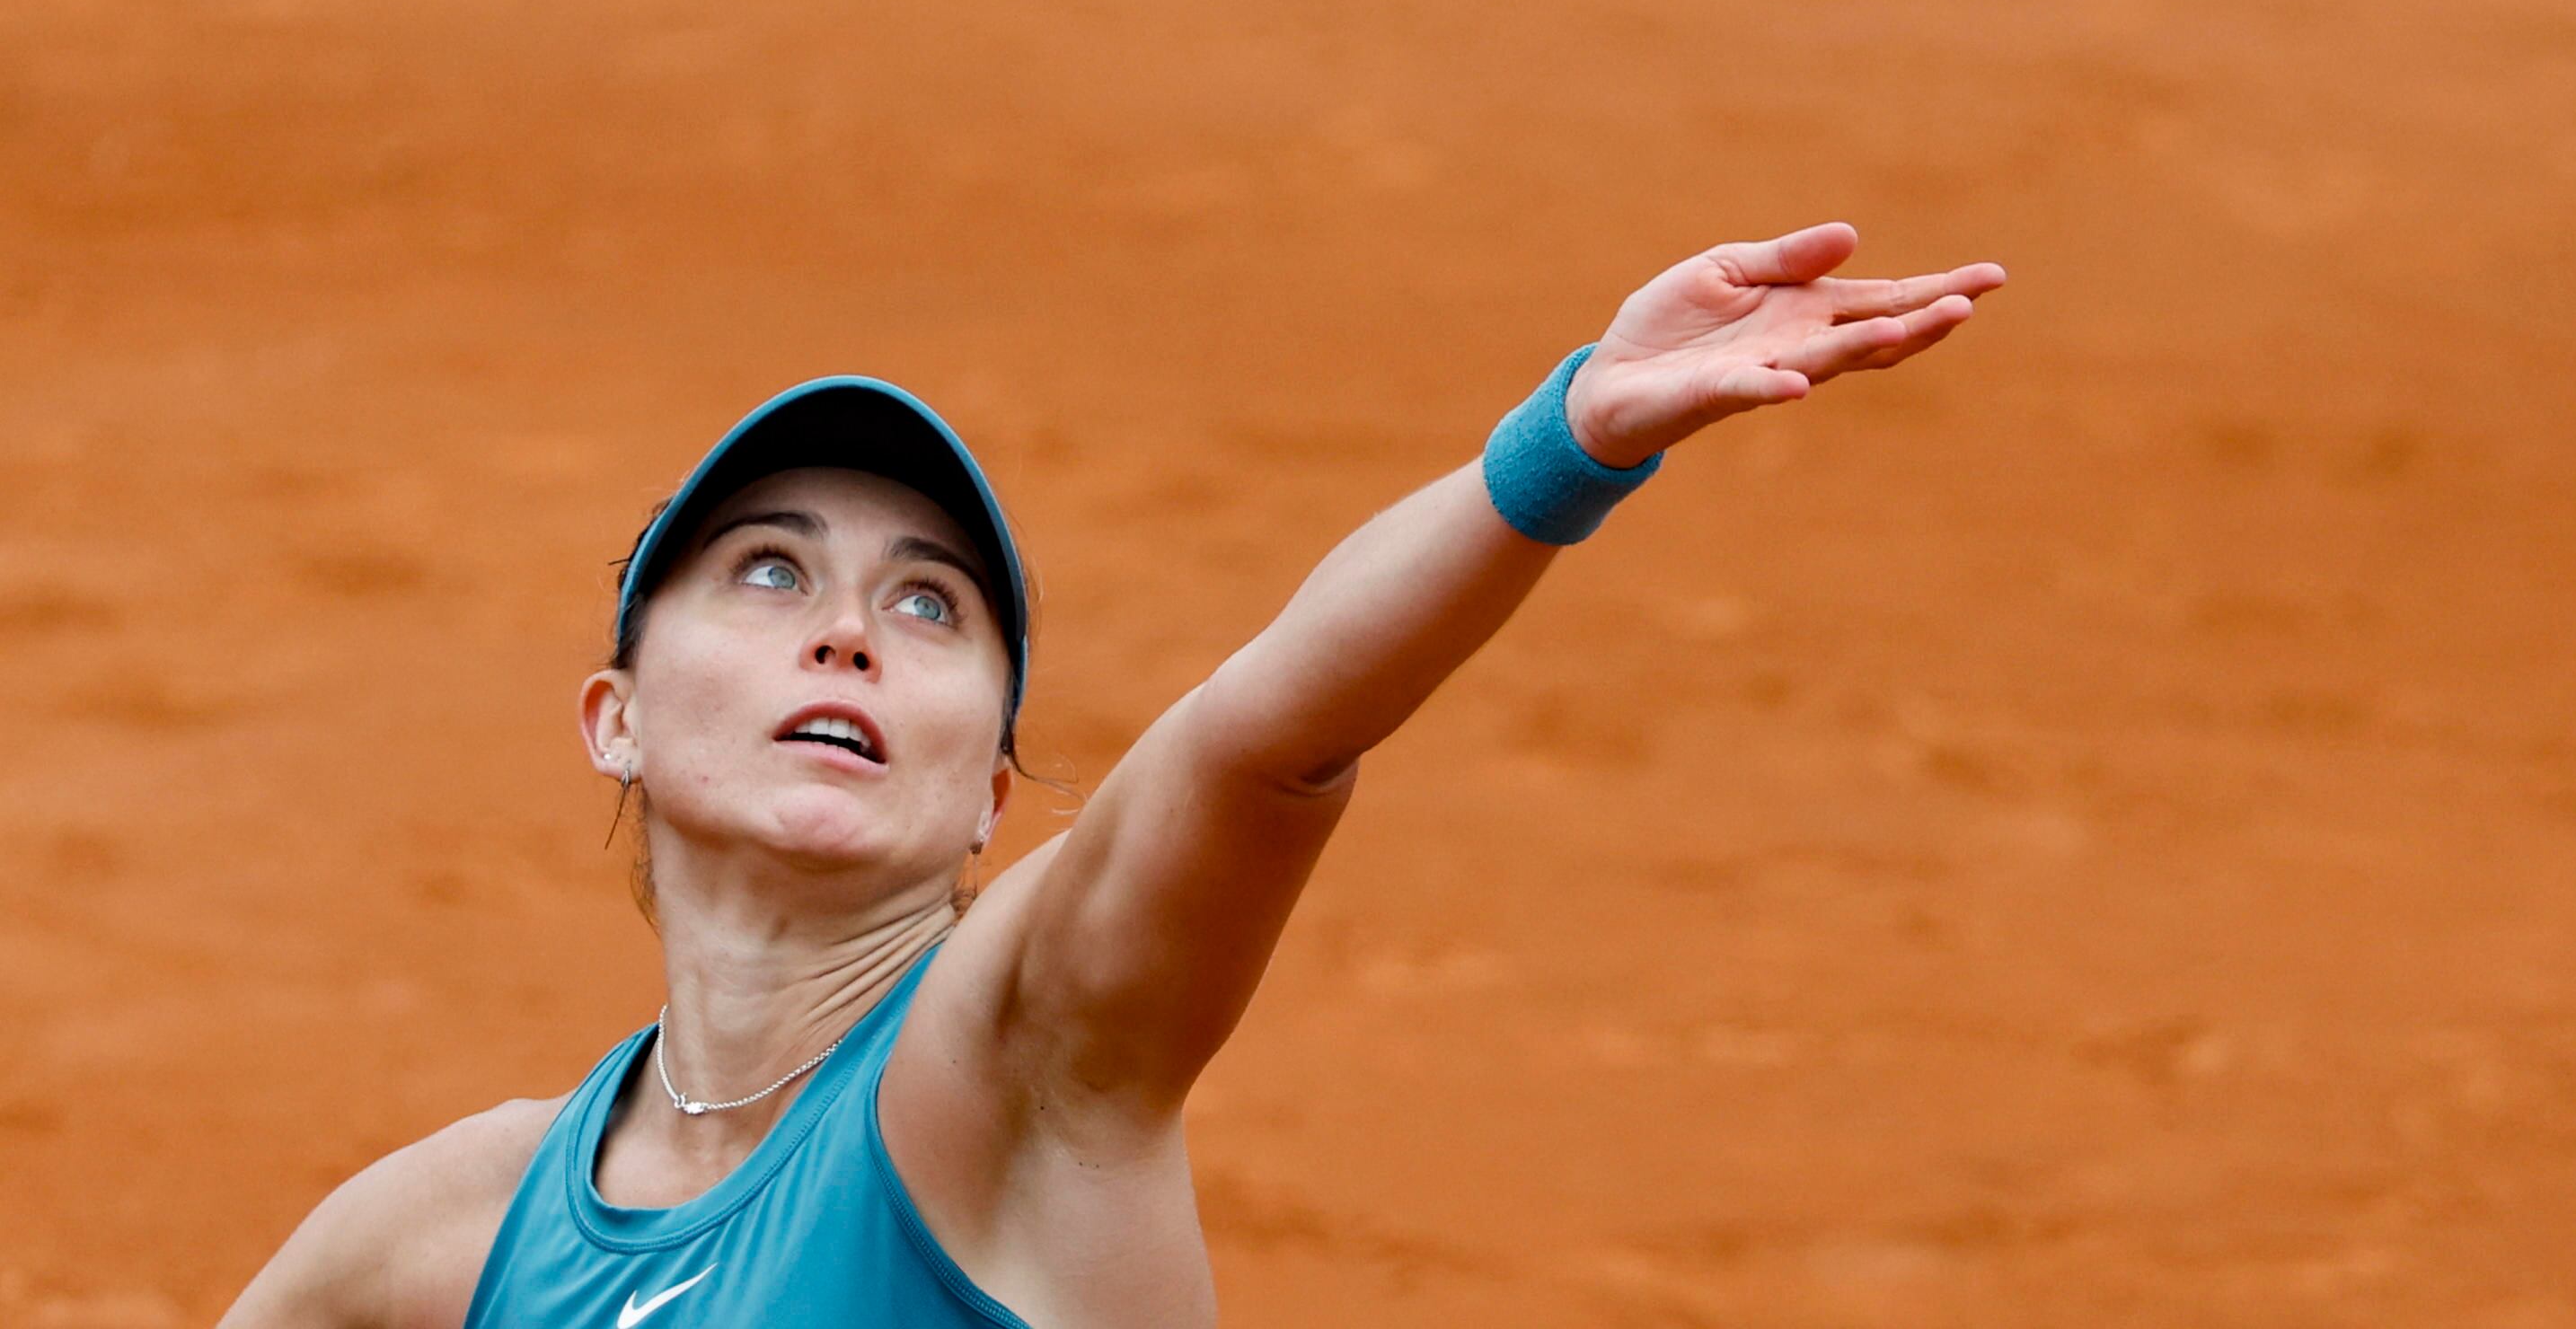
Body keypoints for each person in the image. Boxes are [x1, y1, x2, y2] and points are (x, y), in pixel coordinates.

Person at [221, 221, 2003, 1329]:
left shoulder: (1016, 1060)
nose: (847, 632)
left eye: (930, 609)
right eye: (771, 572)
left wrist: (1560, 449)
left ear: (992, 803)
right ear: (613, 714)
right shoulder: (457, 1225)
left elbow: (1265, 738)